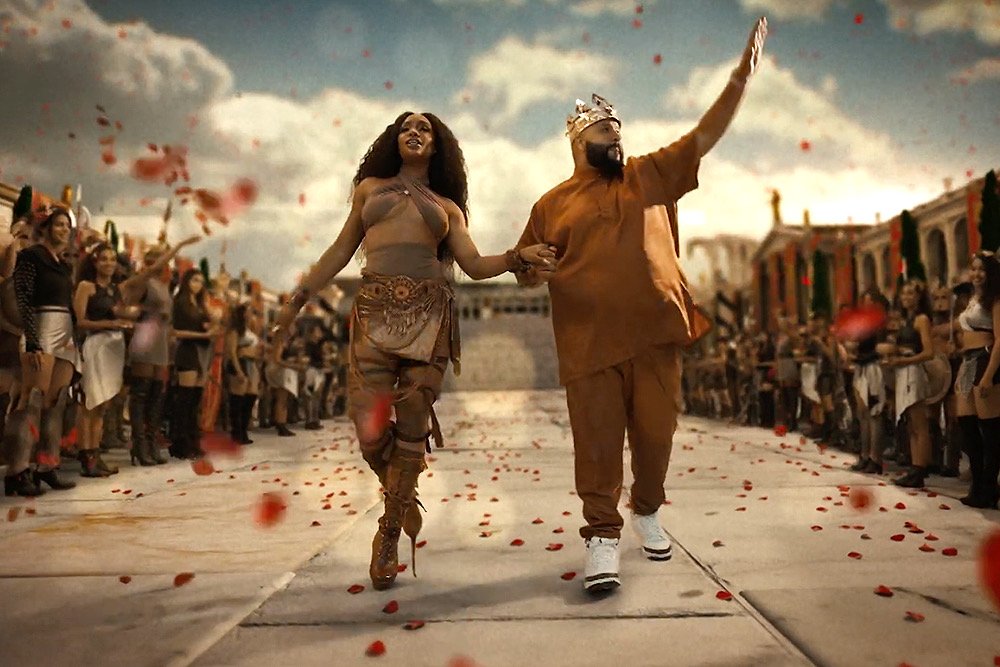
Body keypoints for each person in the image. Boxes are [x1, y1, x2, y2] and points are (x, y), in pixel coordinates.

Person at [511, 18, 767, 594]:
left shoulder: (647, 175)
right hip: (588, 346)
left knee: (656, 438)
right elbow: (528, 274)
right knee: (598, 446)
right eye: (606, 128)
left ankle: (646, 509)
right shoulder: (550, 204)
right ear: (579, 140)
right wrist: (529, 266)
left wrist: (738, 82)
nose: (616, 136)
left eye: (619, 128)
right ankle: (602, 537)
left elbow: (703, 136)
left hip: (655, 335)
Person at [272, 110, 555, 591]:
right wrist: (296, 301)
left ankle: (388, 533)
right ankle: (401, 491)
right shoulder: (370, 190)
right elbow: (339, 252)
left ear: (437, 145)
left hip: (430, 317)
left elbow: (473, 264)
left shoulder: (447, 208)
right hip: (373, 312)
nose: (414, 132)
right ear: (394, 140)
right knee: (367, 426)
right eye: (406, 127)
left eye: (424, 128)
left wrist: (515, 258)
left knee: (411, 426)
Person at [7, 207, 79, 494]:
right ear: (46, 227)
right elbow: (22, 297)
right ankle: (17, 470)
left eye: (67, 226)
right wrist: (33, 340)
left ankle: (47, 466)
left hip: (64, 333)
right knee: (32, 400)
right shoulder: (31, 256)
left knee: (56, 402)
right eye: (59, 224)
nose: (64, 230)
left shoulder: (63, 264)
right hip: (41, 328)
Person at [119, 236, 200, 466]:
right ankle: (139, 444)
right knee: (141, 392)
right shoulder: (143, 281)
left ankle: (152, 441)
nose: (163, 264)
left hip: (162, 337)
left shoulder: (164, 286)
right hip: (146, 333)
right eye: (158, 260)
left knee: (157, 393)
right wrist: (179, 245)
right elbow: (129, 305)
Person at [73, 243, 131, 477]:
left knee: (103, 405)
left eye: (112, 259)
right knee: (90, 403)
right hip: (95, 346)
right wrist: (110, 324)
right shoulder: (86, 286)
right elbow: (79, 321)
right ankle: (86, 455)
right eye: (104, 258)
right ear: (95, 262)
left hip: (113, 349)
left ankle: (95, 454)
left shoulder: (116, 290)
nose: (109, 263)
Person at [954, 252, 1000, 508]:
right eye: (973, 269)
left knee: (990, 429)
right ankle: (978, 483)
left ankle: (989, 488)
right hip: (968, 361)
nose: (976, 274)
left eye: (981, 269)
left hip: (985, 360)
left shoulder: (995, 299)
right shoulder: (973, 299)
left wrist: (989, 375)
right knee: (967, 424)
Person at [887, 280, 935, 488]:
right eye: (903, 293)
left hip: (913, 372)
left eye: (910, 293)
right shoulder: (905, 320)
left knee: (919, 423)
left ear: (919, 297)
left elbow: (929, 352)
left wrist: (904, 360)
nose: (906, 297)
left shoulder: (921, 319)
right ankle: (915, 467)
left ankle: (920, 469)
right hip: (902, 371)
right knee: (910, 424)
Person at [169, 268, 218, 459]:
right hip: (188, 350)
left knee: (195, 400)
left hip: (203, 351)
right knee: (185, 399)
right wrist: (202, 334)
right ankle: (180, 442)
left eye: (201, 281)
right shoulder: (180, 303)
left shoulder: (199, 304)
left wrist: (209, 316)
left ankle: (192, 440)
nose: (198, 284)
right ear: (187, 281)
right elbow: (175, 332)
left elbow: (213, 323)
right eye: (194, 280)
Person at [849, 289, 889, 473]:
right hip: (861, 367)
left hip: (873, 367)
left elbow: (880, 348)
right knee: (862, 413)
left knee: (874, 413)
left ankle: (875, 458)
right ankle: (864, 455)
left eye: (867, 302)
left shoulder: (880, 322)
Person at [224, 303, 262, 445]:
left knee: (251, 397)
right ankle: (236, 432)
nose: (251, 314)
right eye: (249, 311)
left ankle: (243, 429)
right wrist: (238, 370)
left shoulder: (249, 330)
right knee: (237, 399)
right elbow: (232, 352)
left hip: (251, 364)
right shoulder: (235, 330)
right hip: (240, 363)